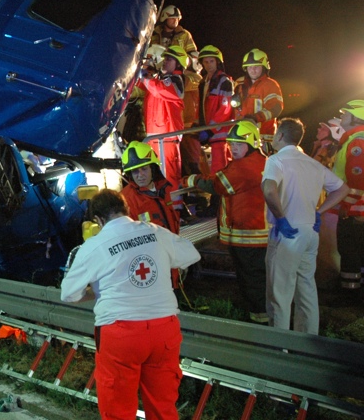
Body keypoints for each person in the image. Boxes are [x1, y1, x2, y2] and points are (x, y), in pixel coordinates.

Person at [60, 189, 200, 420]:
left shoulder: (94, 246)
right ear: (126, 210)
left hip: (121, 334)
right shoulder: (154, 231)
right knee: (163, 405)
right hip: (163, 331)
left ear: (98, 220)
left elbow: (68, 294)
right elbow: (190, 254)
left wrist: (99, 291)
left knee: (118, 409)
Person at [261, 118, 349, 334]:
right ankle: (306, 342)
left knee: (280, 295)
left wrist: (281, 218)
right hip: (310, 232)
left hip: (286, 234)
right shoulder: (312, 163)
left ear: (281, 136)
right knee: (306, 291)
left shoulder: (276, 160)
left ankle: (279, 346)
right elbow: (342, 189)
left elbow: (269, 190)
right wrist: (319, 211)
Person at [183, 121, 269, 323]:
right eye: (231, 144)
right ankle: (262, 315)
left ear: (252, 144)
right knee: (256, 277)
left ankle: (260, 321)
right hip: (255, 232)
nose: (233, 148)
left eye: (239, 144)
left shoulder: (244, 166)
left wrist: (191, 180)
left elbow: (218, 184)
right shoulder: (260, 161)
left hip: (247, 235)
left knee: (252, 279)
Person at [136, 45, 186, 194]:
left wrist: (145, 77)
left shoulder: (176, 81)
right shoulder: (159, 80)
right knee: (159, 178)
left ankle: (175, 207)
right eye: (164, 59)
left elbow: (160, 88)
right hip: (156, 138)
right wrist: (141, 70)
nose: (164, 61)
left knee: (170, 177)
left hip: (166, 138)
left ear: (178, 64)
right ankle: (165, 204)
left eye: (169, 59)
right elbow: (144, 86)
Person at [333, 100, 364, 299]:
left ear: (356, 117)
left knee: (350, 250)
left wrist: (347, 205)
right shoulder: (354, 139)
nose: (341, 116)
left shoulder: (357, 142)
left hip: (355, 210)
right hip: (357, 209)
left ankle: (349, 294)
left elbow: (358, 179)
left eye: (345, 113)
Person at [120, 141, 179, 234]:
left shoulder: (162, 189)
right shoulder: (126, 200)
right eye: (135, 171)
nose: (140, 175)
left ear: (153, 169)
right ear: (130, 174)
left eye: (144, 169)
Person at [233, 49, 284, 151]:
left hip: (263, 137)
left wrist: (256, 117)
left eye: (256, 67)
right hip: (243, 136)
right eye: (249, 67)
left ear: (264, 67)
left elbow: (276, 108)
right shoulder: (240, 84)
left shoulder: (270, 84)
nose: (253, 70)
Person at [196, 45, 235, 174]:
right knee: (212, 169)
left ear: (217, 62)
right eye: (206, 62)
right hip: (209, 133)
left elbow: (225, 109)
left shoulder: (224, 81)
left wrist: (210, 129)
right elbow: (201, 106)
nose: (208, 65)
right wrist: (198, 125)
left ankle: (218, 188)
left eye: (211, 61)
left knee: (219, 169)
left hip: (220, 133)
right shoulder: (203, 82)